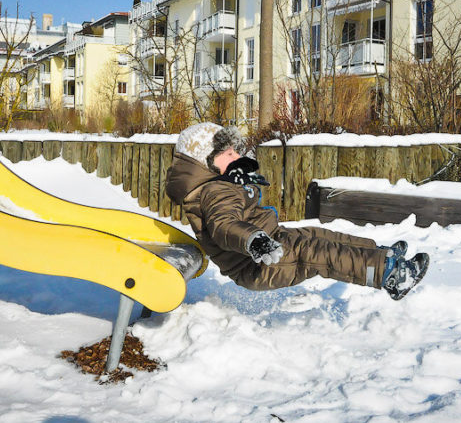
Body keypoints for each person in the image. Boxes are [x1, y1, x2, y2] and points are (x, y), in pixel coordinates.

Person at [165, 122, 429, 300]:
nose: (236, 157)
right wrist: (252, 240)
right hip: (258, 263)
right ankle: (389, 274)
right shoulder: (213, 192)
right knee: (316, 252)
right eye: (228, 154)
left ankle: (379, 254)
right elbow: (224, 227)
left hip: (271, 241)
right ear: (205, 161)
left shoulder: (218, 184)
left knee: (318, 235)